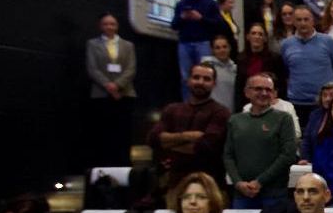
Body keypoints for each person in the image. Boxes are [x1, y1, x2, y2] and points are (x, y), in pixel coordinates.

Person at [149, 61, 231, 188]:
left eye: (206, 79)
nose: (200, 82)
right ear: (188, 80)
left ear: (214, 84)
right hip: (172, 183)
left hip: (208, 184)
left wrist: (168, 143)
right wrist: (189, 136)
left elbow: (206, 147)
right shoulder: (171, 109)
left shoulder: (221, 112)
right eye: (196, 77)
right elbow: (153, 139)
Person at [225, 74, 298, 209]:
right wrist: (238, 183)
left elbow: (288, 155)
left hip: (274, 193)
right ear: (247, 92)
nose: (264, 93)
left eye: (268, 90)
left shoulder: (284, 119)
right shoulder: (235, 120)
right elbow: (228, 155)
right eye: (258, 89)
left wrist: (260, 182)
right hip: (242, 193)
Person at [280, 7, 333, 131]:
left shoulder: (328, 42)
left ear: (313, 21)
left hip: (325, 103)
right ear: (293, 22)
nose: (303, 23)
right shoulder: (286, 45)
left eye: (306, 19)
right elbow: (285, 73)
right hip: (297, 103)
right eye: (299, 20)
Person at [85, 13, 137, 164]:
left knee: (123, 133)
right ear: (101, 26)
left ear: (117, 26)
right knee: (104, 133)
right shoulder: (92, 44)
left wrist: (117, 85)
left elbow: (131, 69)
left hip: (125, 94)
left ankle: (124, 167)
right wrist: (108, 85)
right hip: (101, 94)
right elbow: (92, 68)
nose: (109, 27)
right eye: (106, 24)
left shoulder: (128, 45)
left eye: (112, 24)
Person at [173, 0, 223, 92]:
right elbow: (174, 25)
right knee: (186, 77)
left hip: (203, 43)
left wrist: (201, 18)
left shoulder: (210, 3)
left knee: (206, 75)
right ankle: (188, 105)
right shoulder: (181, 4)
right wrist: (182, 17)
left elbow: (218, 24)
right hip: (185, 43)